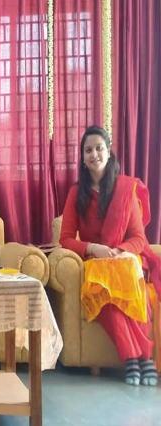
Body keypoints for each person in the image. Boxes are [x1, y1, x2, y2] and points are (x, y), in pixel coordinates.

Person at [60, 125, 160, 386]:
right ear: (82, 157)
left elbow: (139, 238)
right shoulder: (75, 193)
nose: (94, 154)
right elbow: (66, 239)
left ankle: (144, 359)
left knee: (128, 277)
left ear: (109, 151)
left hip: (123, 261)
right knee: (103, 293)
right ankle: (135, 358)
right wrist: (93, 248)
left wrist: (119, 252)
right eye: (88, 150)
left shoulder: (125, 189)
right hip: (97, 265)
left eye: (99, 148)